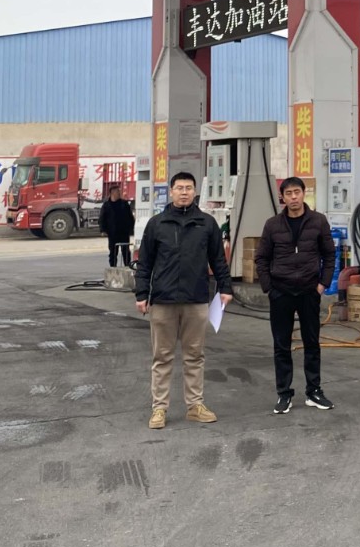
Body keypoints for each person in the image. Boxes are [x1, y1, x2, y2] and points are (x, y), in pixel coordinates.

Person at [134, 171, 231, 429]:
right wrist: (142, 293)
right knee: (162, 357)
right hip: (163, 300)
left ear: (195, 192)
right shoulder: (157, 224)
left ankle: (195, 406)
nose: (184, 192)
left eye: (188, 188)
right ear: (171, 191)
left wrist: (225, 287)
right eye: (179, 188)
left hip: (196, 299)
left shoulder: (206, 224)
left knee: (195, 355)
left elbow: (218, 260)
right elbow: (145, 263)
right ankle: (159, 408)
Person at [255, 176, 336, 415]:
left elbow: (329, 255)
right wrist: (269, 288)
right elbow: (261, 258)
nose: (293, 197)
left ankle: (314, 391)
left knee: (312, 343)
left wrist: (322, 284)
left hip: (309, 291)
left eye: (297, 192)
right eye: (288, 193)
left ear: (303, 193)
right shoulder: (272, 225)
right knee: (281, 345)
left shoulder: (318, 221)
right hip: (281, 292)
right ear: (283, 197)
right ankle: (284, 393)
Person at [99, 183, 135, 268]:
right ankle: (113, 267)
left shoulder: (124, 204)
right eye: (117, 191)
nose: (119, 193)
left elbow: (130, 217)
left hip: (123, 232)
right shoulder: (106, 205)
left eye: (119, 191)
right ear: (112, 193)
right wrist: (103, 230)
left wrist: (131, 229)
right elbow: (102, 218)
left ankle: (127, 267)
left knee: (126, 251)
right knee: (113, 252)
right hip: (112, 233)